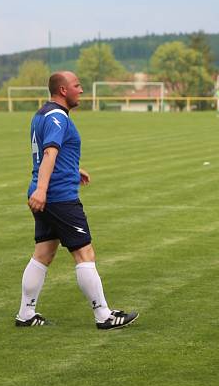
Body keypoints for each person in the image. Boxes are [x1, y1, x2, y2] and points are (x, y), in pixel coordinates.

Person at [16, 71, 138, 330]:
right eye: (77, 85)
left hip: (47, 192)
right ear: (63, 90)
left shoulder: (42, 114)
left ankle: (26, 314)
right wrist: (43, 189)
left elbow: (49, 154)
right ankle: (104, 316)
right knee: (85, 253)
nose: (81, 90)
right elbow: (49, 153)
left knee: (44, 253)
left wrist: (72, 170)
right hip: (58, 196)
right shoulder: (59, 117)